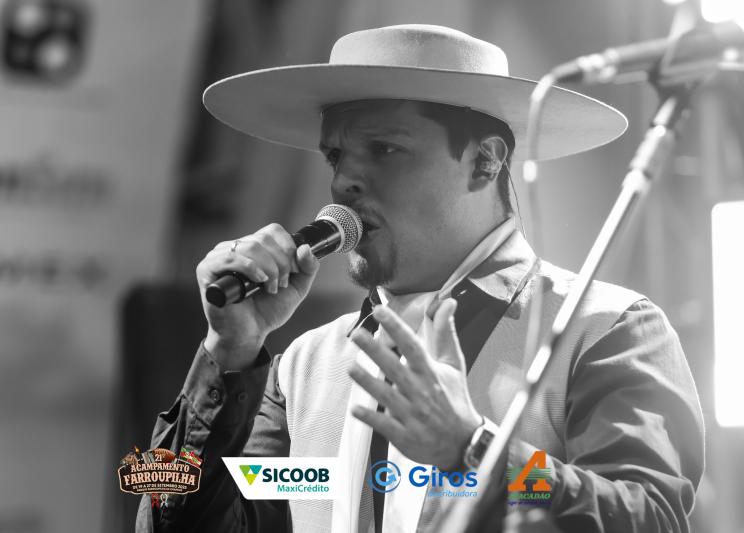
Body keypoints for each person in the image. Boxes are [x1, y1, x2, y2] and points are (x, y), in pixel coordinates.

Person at [136, 25, 704, 533]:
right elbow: (184, 521)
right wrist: (227, 351)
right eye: (335, 156)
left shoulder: (605, 328)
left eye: (385, 149)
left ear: (485, 160)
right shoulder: (305, 367)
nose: (343, 182)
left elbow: (651, 519)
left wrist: (474, 450)